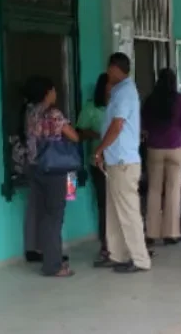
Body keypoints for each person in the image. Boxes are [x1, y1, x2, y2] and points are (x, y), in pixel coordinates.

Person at [93, 53, 150, 273]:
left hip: (123, 161)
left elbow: (117, 126)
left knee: (128, 211)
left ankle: (140, 259)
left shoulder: (125, 92)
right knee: (114, 211)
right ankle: (118, 254)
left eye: (109, 69)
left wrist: (99, 150)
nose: (108, 73)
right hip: (116, 160)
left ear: (116, 68)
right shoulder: (118, 92)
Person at [20, 76, 80, 277]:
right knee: (54, 216)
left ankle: (47, 255)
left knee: (44, 214)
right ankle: (53, 265)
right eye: (53, 90)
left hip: (36, 168)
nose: (56, 94)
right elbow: (73, 136)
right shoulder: (53, 114)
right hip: (56, 170)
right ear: (47, 93)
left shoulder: (29, 113)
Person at [142, 68, 181, 246]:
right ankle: (171, 232)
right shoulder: (180, 100)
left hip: (154, 147)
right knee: (173, 190)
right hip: (176, 147)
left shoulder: (150, 100)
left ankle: (151, 232)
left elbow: (143, 124)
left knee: (154, 190)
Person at [76, 73, 111, 262]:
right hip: (99, 161)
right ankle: (106, 244)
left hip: (121, 162)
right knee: (104, 203)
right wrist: (96, 134)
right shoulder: (92, 107)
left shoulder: (120, 105)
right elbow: (79, 133)